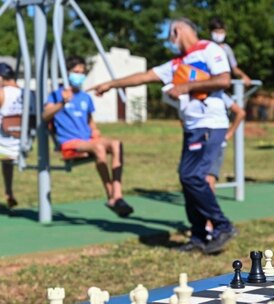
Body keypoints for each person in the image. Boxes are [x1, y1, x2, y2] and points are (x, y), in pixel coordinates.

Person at [92, 17, 238, 254]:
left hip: (210, 124)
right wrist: (111, 84)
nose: (170, 41)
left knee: (192, 176)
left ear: (178, 31)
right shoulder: (176, 64)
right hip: (192, 127)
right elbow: (143, 76)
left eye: (171, 35)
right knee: (187, 178)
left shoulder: (209, 50)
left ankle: (222, 225)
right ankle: (199, 236)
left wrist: (185, 87)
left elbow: (224, 80)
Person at [42, 56, 134, 218]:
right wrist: (62, 103)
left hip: (87, 140)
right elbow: (45, 116)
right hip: (69, 142)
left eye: (82, 72)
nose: (79, 75)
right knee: (98, 147)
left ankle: (117, 195)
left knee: (116, 144)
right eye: (76, 72)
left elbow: (90, 122)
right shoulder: (57, 95)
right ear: (67, 73)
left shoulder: (85, 97)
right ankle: (110, 195)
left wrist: (96, 132)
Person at [206, 93, 246, 192]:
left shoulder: (221, 95)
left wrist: (229, 133)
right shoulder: (196, 94)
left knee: (209, 177)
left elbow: (240, 113)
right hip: (199, 140)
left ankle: (209, 205)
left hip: (216, 141)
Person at [0, 63, 23, 209]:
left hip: (4, 144)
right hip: (20, 144)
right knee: (6, 159)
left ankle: (9, 191)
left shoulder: (2, 93)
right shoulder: (28, 93)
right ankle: (8, 191)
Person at [209, 17, 252, 86]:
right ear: (211, 32)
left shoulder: (227, 49)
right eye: (216, 31)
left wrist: (243, 75)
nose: (219, 34)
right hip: (208, 83)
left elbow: (234, 68)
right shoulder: (206, 47)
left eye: (221, 32)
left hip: (222, 84)